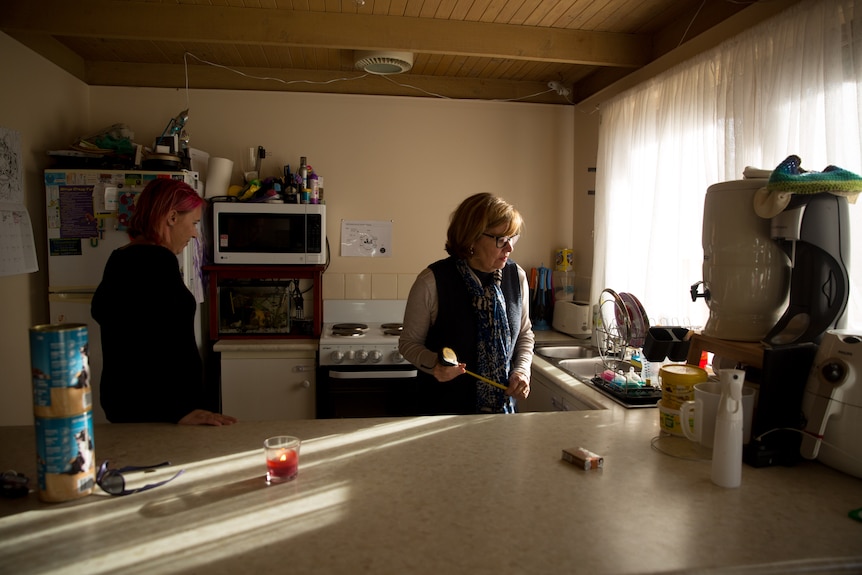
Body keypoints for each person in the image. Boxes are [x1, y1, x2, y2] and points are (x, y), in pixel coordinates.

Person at [91, 178, 237, 426]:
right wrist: (178, 410)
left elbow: (139, 339)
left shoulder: (120, 257)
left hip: (132, 406)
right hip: (160, 413)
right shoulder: (156, 262)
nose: (194, 233)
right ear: (171, 217)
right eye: (193, 223)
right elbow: (156, 352)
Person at [399, 192, 535, 414]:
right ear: (472, 238)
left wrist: (521, 371)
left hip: (502, 415)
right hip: (442, 413)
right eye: (501, 240)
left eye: (513, 238)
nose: (509, 248)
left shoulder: (516, 276)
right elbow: (408, 344)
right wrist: (435, 364)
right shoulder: (432, 281)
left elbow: (525, 334)